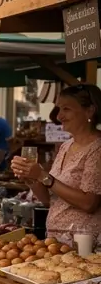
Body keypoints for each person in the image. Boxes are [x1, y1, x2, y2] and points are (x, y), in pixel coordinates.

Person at [12, 84, 101, 247]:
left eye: (66, 109)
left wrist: (43, 175)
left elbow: (89, 203)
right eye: (59, 109)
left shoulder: (97, 148)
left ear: (89, 111)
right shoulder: (66, 146)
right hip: (56, 242)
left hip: (84, 245)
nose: (59, 116)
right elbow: (49, 200)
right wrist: (31, 178)